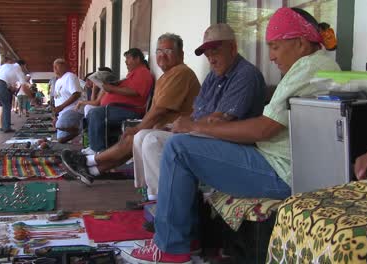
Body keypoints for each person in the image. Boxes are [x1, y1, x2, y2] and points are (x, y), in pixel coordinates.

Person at [127, 7, 341, 263]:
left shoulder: (307, 68)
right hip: (275, 162)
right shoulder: (315, 66)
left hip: (282, 172)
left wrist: (197, 127)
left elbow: (264, 128)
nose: (271, 56)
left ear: (301, 43)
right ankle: (181, 235)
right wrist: (198, 125)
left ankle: (171, 247)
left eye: (275, 47)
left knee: (179, 148)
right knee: (175, 143)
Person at [133, 23, 266, 203]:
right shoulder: (213, 75)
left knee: (152, 140)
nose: (211, 59)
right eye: (208, 55)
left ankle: (167, 203)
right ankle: (153, 195)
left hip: (231, 143)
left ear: (232, 48)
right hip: (205, 133)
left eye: (216, 52)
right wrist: (175, 126)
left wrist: (190, 126)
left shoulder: (246, 74)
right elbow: (198, 113)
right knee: (142, 135)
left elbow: (220, 121)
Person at [62, 33, 201, 185]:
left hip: (176, 128)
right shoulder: (166, 76)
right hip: (162, 125)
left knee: (133, 136)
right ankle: (91, 171)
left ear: (180, 53)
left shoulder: (180, 72)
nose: (162, 56)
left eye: (167, 51)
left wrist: (139, 127)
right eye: (159, 51)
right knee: (131, 137)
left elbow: (160, 109)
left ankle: (88, 160)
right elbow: (157, 109)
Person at [80, 48, 154, 154]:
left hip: (130, 110)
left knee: (95, 113)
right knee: (93, 112)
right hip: (119, 107)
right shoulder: (133, 73)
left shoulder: (143, 72)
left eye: (128, 58)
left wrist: (112, 89)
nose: (125, 62)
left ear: (137, 59)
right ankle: (94, 146)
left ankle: (97, 149)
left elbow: (135, 92)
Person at [51, 58, 84, 143]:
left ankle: (82, 128)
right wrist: (55, 116)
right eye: (54, 67)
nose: (55, 69)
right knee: (60, 139)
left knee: (59, 125)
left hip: (73, 110)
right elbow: (57, 100)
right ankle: (79, 131)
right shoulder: (58, 81)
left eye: (57, 66)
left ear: (65, 66)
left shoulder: (70, 76)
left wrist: (61, 107)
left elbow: (76, 94)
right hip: (62, 113)